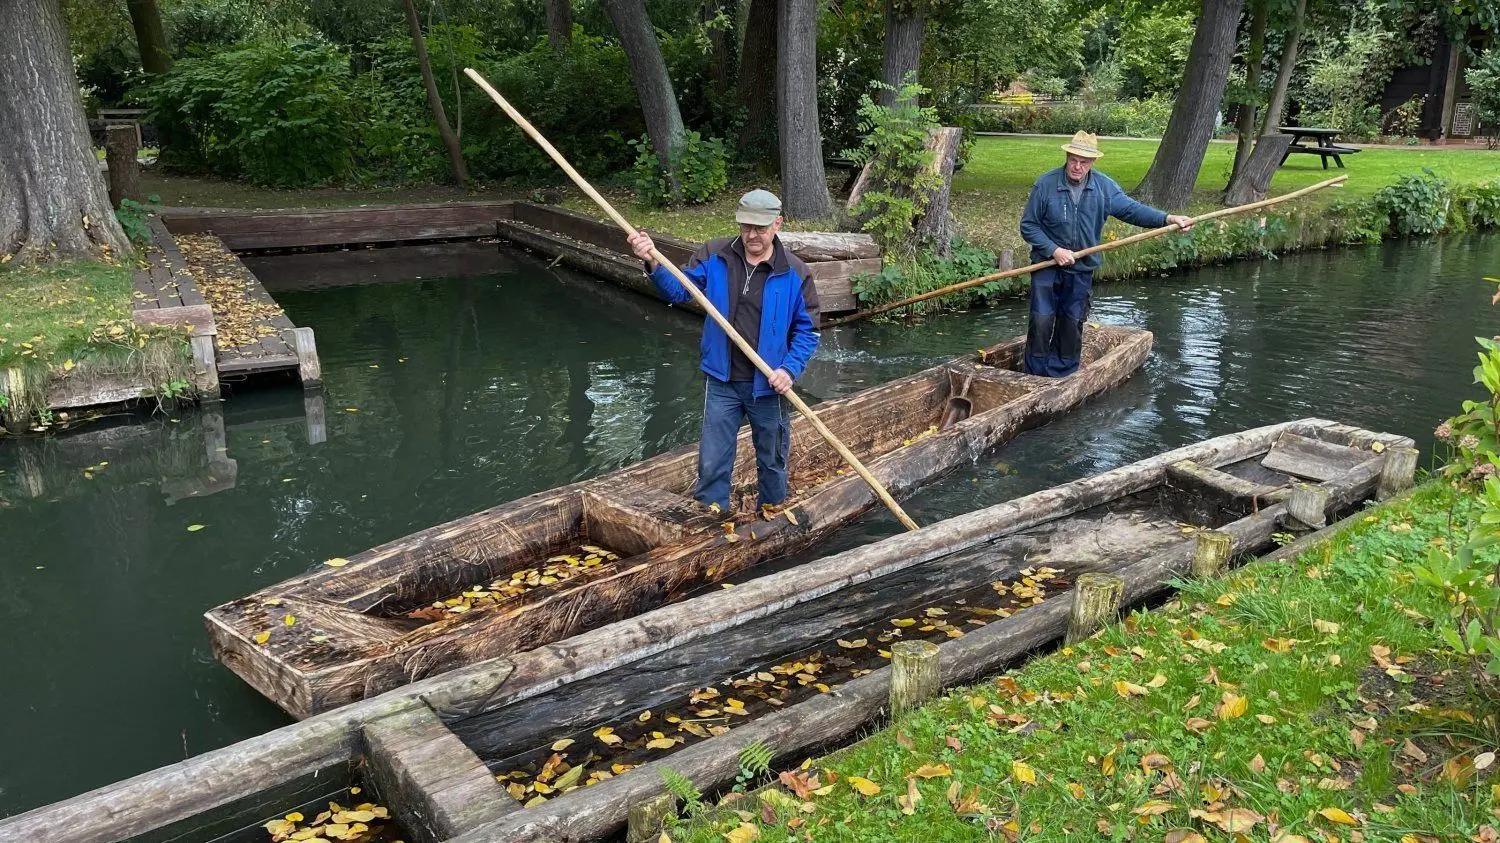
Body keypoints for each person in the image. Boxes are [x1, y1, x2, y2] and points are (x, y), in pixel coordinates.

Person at [627, 189, 821, 514]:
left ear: (777, 224)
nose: (752, 235)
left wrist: (789, 370)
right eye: (746, 226)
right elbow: (678, 290)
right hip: (722, 381)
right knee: (713, 462)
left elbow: (808, 331)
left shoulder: (795, 273)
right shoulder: (715, 255)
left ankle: (772, 515)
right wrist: (652, 260)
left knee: (772, 461)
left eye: (760, 228)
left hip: (769, 386)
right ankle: (711, 521)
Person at [1019, 130, 1194, 377]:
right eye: (1073, 160)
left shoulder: (1104, 187)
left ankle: (1062, 374)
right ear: (1067, 157)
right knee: (1041, 319)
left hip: (1082, 267)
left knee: (1071, 321)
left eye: (1084, 162)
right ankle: (1034, 374)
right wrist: (1054, 250)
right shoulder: (1045, 185)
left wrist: (1168, 218)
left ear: (1093, 162)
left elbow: (1133, 210)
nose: (1077, 167)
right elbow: (1029, 226)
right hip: (1046, 265)